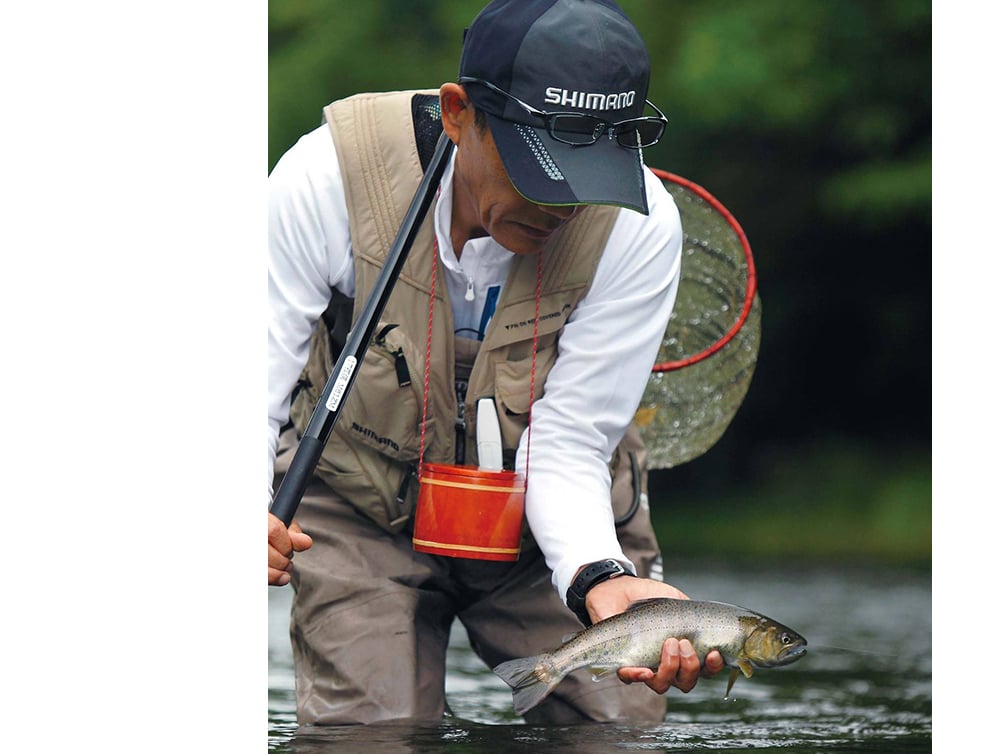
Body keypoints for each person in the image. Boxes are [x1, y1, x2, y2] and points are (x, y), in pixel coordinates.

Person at [266, 0, 724, 725]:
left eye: (591, 172)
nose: (566, 205)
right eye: (541, 170)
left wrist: (600, 578)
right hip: (357, 509)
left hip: (551, 531)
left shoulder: (641, 228)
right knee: (373, 735)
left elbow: (573, 440)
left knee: (613, 731)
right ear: (458, 113)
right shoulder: (323, 180)